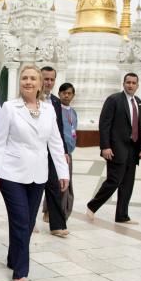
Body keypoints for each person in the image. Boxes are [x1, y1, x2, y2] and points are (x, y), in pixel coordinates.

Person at [0, 65, 68, 281]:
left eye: (33, 78)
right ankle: (21, 270)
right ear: (19, 82)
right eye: (24, 78)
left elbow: (55, 142)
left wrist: (63, 172)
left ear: (41, 83)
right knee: (22, 221)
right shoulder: (9, 107)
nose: (28, 82)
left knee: (27, 220)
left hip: (38, 174)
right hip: (11, 173)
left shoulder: (49, 109)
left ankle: (14, 257)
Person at [86, 73, 141, 224]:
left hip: (133, 150)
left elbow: (139, 126)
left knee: (127, 184)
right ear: (123, 84)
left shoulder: (138, 102)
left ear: (137, 85)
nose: (130, 85)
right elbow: (104, 124)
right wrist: (105, 146)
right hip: (116, 148)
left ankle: (122, 215)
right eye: (128, 82)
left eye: (133, 83)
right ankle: (92, 206)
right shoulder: (114, 100)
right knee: (113, 181)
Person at [40, 66, 70, 237]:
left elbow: (59, 129)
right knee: (34, 187)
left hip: (51, 151)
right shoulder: (29, 99)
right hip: (34, 151)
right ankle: (28, 223)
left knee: (54, 186)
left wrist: (63, 151)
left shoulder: (57, 102)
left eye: (52, 79)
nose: (49, 82)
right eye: (46, 79)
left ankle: (57, 225)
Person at [59, 82, 78, 220]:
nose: (66, 95)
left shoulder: (73, 112)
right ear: (59, 94)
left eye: (69, 93)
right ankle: (51, 211)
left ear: (73, 95)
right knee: (57, 182)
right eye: (64, 93)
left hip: (69, 152)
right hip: (58, 151)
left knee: (67, 181)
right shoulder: (56, 110)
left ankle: (65, 211)